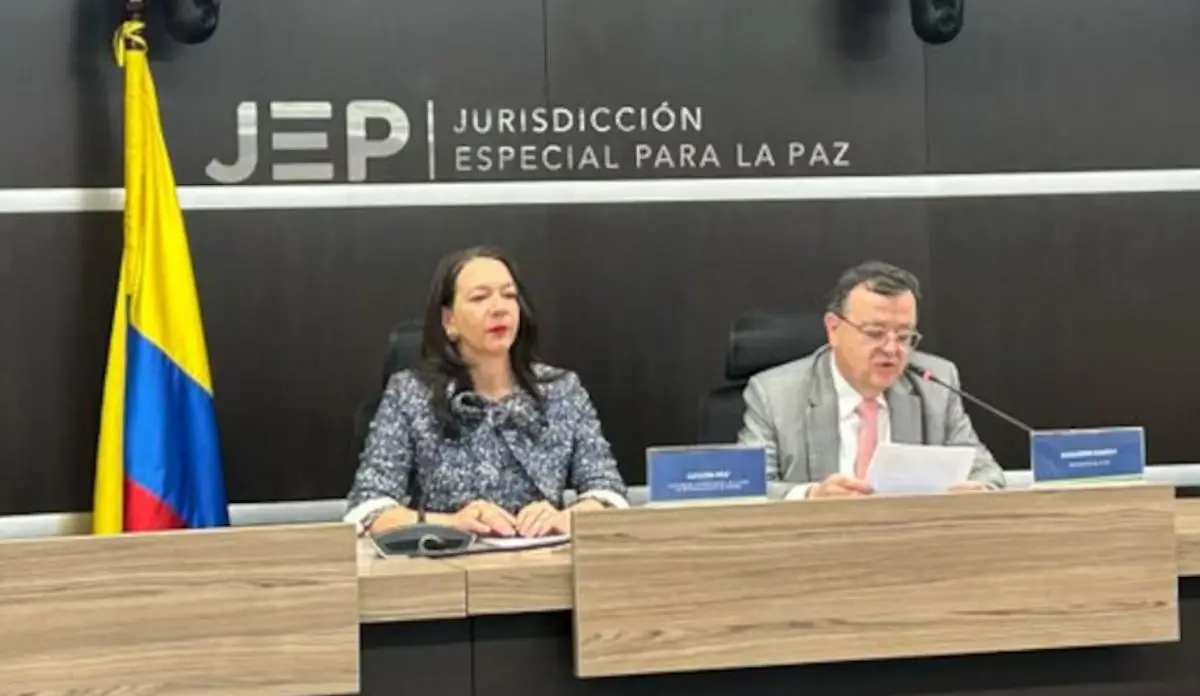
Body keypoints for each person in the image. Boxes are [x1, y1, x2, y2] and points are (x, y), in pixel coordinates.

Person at [345, 246, 628, 537]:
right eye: (480, 298)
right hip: (449, 560)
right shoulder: (411, 394)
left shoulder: (561, 389)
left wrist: (567, 518)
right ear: (449, 321)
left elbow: (608, 492)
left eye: (509, 295)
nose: (499, 308)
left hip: (545, 559)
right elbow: (367, 508)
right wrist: (452, 523)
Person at [737, 260, 1005, 499]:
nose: (891, 349)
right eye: (875, 333)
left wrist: (975, 491)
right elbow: (747, 487)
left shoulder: (935, 384)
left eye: (904, 336)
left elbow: (987, 472)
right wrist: (811, 495)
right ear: (833, 329)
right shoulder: (775, 395)